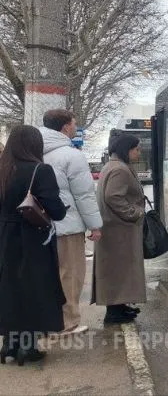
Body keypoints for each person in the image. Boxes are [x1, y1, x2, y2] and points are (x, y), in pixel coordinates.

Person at [0, 125, 68, 365]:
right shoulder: (40, 170)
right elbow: (56, 211)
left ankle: (9, 345)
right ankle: (28, 347)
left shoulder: (3, 169)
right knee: (33, 288)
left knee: (8, 288)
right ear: (35, 145)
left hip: (4, 237)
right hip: (32, 239)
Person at [39, 110, 103, 336]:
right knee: (71, 274)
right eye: (74, 123)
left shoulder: (34, 150)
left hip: (38, 224)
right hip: (67, 225)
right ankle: (68, 322)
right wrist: (94, 226)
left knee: (46, 276)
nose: (76, 127)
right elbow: (84, 195)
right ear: (65, 127)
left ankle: (46, 321)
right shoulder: (71, 155)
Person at [92, 134, 146, 324]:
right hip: (119, 230)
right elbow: (113, 197)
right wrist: (135, 213)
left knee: (119, 270)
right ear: (127, 149)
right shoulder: (120, 170)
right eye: (137, 149)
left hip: (115, 228)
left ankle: (119, 306)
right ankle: (114, 311)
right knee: (119, 270)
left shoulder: (112, 165)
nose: (139, 153)